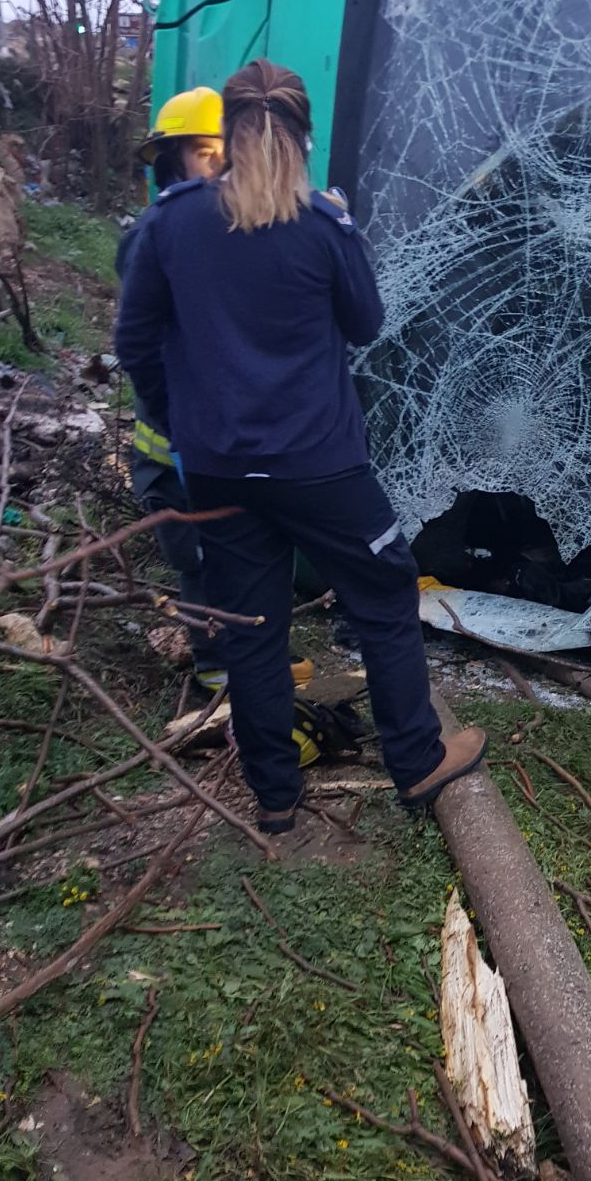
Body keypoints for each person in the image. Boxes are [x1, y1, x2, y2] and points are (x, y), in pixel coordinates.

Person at [115, 58, 485, 833]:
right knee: (384, 597)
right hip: (320, 465)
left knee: (250, 625)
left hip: (217, 469)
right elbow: (366, 323)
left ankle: (275, 798)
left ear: (227, 134)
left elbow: (136, 343)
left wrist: (179, 420)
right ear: (302, 136)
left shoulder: (170, 223)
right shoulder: (321, 224)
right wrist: (340, 228)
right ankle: (416, 762)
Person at [118, 87, 312, 695]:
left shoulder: (231, 231)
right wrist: (185, 422)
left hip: (230, 445)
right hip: (173, 454)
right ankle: (219, 680)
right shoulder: (156, 237)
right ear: (174, 160)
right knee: (201, 565)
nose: (221, 168)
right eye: (206, 154)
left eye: (224, 154)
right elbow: (147, 351)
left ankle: (254, 660)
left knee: (246, 558)